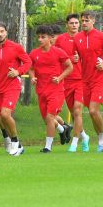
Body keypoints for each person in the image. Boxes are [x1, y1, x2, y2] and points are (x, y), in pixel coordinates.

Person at [75, 11, 103, 152]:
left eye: (86, 20)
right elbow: (74, 55)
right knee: (91, 112)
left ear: (93, 21)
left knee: (94, 110)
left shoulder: (101, 36)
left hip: (100, 78)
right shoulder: (78, 38)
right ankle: (102, 139)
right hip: (85, 79)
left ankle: (102, 140)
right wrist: (74, 58)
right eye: (82, 20)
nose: (83, 23)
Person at [29, 25, 75, 153]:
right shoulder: (34, 53)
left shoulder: (58, 52)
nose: (40, 39)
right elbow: (31, 68)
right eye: (38, 37)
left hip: (56, 91)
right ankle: (63, 129)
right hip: (41, 91)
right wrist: (32, 77)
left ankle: (48, 146)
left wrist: (60, 78)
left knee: (50, 118)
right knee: (48, 119)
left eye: (43, 37)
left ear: (50, 38)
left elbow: (70, 67)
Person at [0, 21, 31, 156]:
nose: (0, 34)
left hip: (12, 86)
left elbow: (28, 62)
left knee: (5, 114)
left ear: (6, 32)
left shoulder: (15, 47)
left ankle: (15, 142)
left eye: (2, 31)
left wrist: (18, 72)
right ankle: (16, 144)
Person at [54, 13, 89, 152]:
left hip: (82, 80)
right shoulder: (60, 40)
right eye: (71, 23)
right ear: (67, 25)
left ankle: (74, 143)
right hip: (66, 81)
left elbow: (91, 58)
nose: (74, 25)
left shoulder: (85, 39)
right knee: (74, 114)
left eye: (76, 23)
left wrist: (80, 57)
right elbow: (55, 56)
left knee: (77, 111)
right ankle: (85, 136)